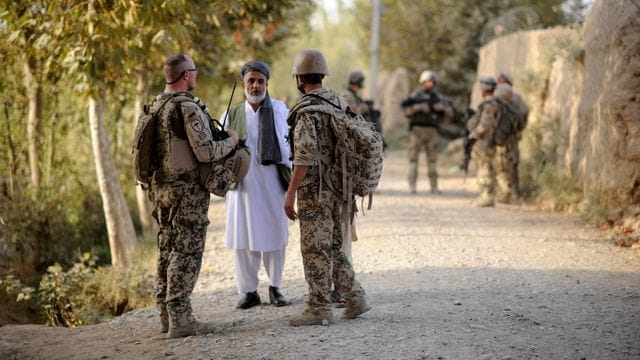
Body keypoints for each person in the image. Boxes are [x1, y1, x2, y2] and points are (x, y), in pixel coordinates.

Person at [150, 54, 239, 338]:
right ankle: (181, 318)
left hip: (160, 189)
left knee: (167, 247)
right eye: (195, 71)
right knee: (187, 250)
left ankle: (165, 316)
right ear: (186, 75)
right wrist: (230, 141)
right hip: (186, 192)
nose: (196, 76)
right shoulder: (187, 108)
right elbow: (205, 152)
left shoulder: (155, 105)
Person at [284, 49, 370, 326]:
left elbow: (304, 158)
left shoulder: (307, 111)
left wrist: (290, 193)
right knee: (334, 246)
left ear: (300, 77)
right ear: (322, 74)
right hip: (339, 188)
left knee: (314, 249)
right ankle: (356, 298)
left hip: (315, 191)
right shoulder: (338, 102)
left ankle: (318, 308)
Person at [221, 60, 292, 310]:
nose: (255, 85)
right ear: (243, 84)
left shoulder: (279, 109)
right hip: (242, 187)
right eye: (251, 80)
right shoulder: (231, 114)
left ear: (267, 84)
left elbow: (287, 149)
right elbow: (219, 152)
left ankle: (275, 287)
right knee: (243, 238)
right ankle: (249, 291)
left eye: (260, 81)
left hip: (272, 182)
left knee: (275, 234)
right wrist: (228, 141)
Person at [401, 70, 454, 194]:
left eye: (432, 82)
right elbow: (405, 111)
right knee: (413, 158)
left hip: (432, 131)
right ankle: (412, 186)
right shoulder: (415, 96)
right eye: (428, 82)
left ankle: (434, 187)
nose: (430, 84)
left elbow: (450, 113)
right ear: (422, 82)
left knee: (432, 159)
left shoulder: (438, 98)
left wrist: (442, 109)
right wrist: (417, 108)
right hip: (417, 130)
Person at [466, 76, 501, 207]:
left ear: (485, 89)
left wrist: (473, 135)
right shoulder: (491, 104)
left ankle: (487, 197)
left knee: (484, 169)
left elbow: (484, 125)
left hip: (485, 142)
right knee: (485, 168)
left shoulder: (489, 106)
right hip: (485, 141)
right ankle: (486, 196)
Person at [497, 72, 529, 201]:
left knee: (504, 165)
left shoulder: (497, 99)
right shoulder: (518, 99)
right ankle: (512, 192)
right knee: (510, 165)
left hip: (502, 138)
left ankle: (507, 193)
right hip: (511, 137)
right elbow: (524, 115)